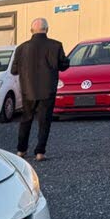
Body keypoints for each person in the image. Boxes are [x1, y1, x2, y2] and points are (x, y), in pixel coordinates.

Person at [11, 18, 69, 161]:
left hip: (28, 90)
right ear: (47, 29)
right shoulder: (56, 46)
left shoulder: (21, 48)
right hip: (47, 89)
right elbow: (64, 65)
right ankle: (40, 152)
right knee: (44, 120)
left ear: (32, 31)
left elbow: (14, 70)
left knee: (26, 119)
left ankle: (21, 150)